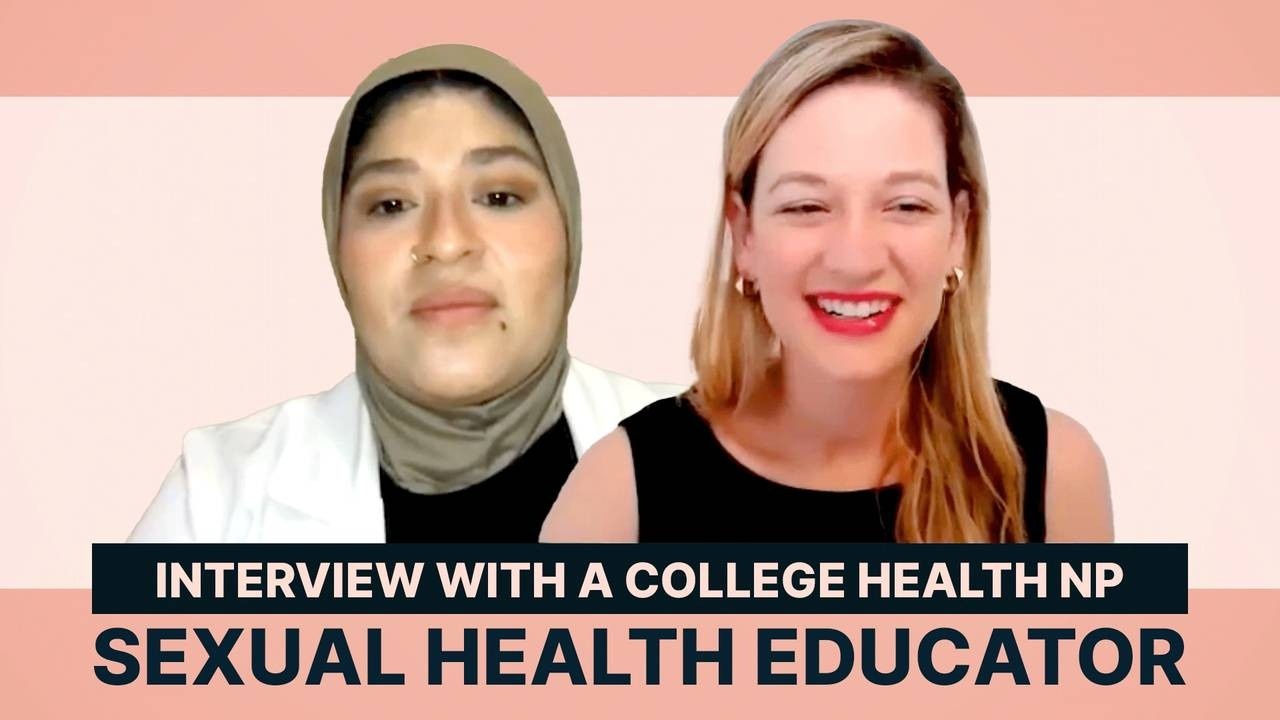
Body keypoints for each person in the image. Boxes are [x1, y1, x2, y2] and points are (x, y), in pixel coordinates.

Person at [541, 20, 1113, 543]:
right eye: (808, 206)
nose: (854, 257)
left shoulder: (1054, 474)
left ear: (959, 231)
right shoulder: (620, 495)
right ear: (745, 237)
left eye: (906, 205)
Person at [130, 44, 680, 542]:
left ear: (569, 232)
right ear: (338, 248)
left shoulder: (714, 462)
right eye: (391, 206)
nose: (445, 242)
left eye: (498, 196)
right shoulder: (215, 501)